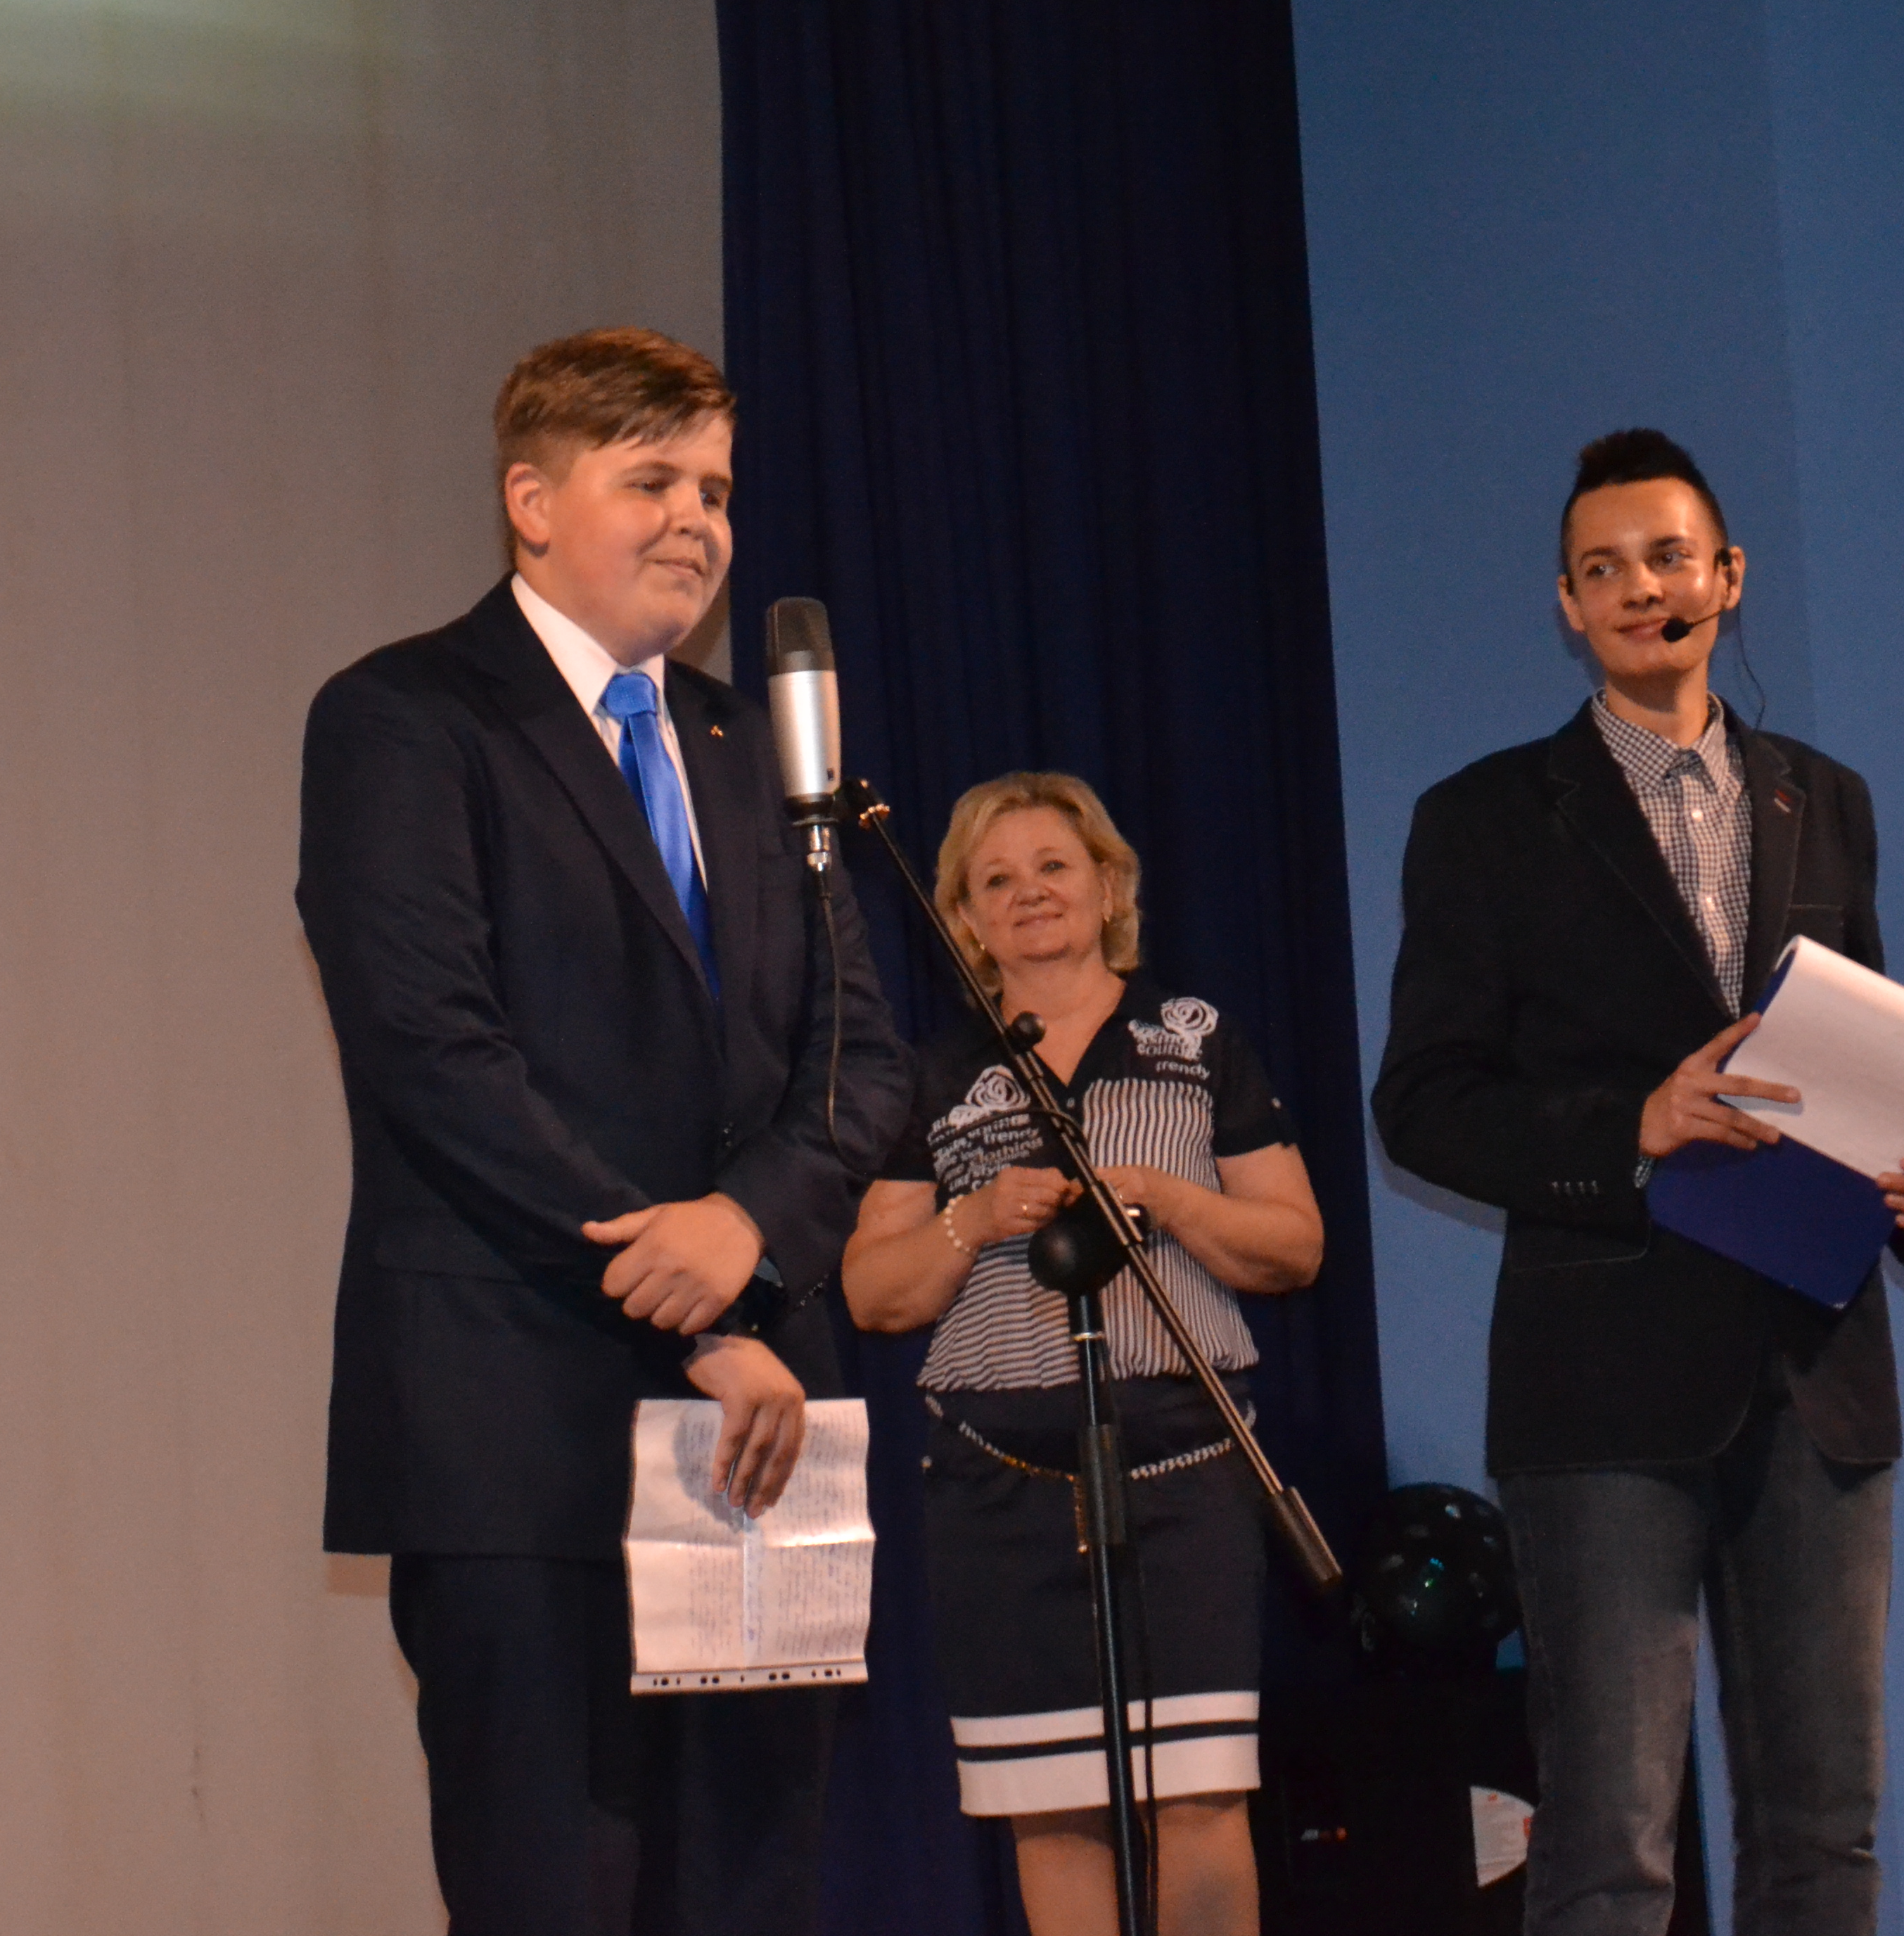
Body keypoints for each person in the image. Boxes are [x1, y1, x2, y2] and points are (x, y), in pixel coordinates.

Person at [295, 327, 914, 1936]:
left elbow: (857, 1061)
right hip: (521, 1424)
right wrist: (691, 1297)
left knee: (750, 1895)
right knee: (556, 1893)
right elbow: (437, 1056)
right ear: (532, 502)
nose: (697, 520)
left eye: (716, 488)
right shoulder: (406, 718)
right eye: (652, 482)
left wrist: (751, 1237)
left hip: (760, 1430)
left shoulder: (750, 750)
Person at [1369, 429, 1904, 1936]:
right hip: (1600, 1389)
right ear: (1569, 606)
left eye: (1670, 558)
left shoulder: (1825, 799)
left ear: (1729, 578)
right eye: (1606, 569)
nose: (1645, 588)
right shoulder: (1486, 817)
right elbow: (1423, 1105)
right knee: (1612, 1840)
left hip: (1817, 1374)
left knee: (1825, 1833)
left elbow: (1862, 1050)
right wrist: (1631, 1124)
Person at [842, 771, 1323, 1936]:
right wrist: (972, 1219)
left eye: (1054, 866)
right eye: (995, 880)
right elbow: (870, 1290)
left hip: (1184, 1467)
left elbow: (1295, 1246)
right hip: (1001, 1487)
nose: (1030, 894)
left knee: (1199, 1793)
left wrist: (1166, 1197)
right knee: (1052, 1809)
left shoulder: (1195, 1039)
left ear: (1109, 885)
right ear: (965, 918)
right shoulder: (931, 1073)